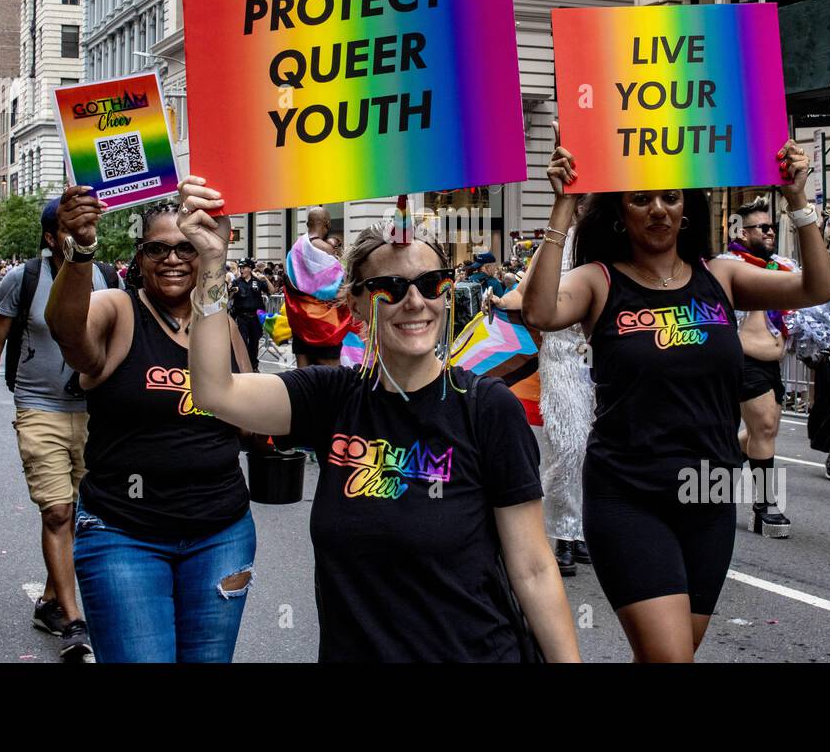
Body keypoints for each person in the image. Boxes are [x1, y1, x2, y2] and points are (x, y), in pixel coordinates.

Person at [178, 175, 580, 663]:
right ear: (359, 304)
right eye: (390, 287)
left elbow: (535, 569)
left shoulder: (488, 407)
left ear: (447, 294)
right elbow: (214, 391)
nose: (414, 301)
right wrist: (212, 265)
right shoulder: (332, 398)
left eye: (430, 284)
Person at [519, 128, 830, 662]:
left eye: (670, 196)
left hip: (707, 493)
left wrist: (798, 199)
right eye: (641, 198)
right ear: (621, 213)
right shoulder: (599, 281)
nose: (658, 209)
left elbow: (817, 289)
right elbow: (540, 311)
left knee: (670, 654)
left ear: (687, 208)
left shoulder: (723, 276)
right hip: (628, 495)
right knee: (671, 659)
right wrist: (563, 207)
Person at [44, 191, 256, 663]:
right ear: (140, 257)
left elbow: (253, 421)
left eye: (187, 248)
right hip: (125, 534)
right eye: (158, 249)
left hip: (222, 534)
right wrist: (78, 250)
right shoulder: (118, 310)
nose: (174, 259)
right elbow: (68, 331)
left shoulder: (220, 325)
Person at [0, 199, 118, 661]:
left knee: (82, 513)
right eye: (73, 227)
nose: (83, 234)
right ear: (51, 237)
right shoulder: (24, 278)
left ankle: (51, 599)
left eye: (90, 226)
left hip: (95, 410)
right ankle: (73, 620)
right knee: (56, 512)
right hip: (39, 408)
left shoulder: (108, 277)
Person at [487, 230, 595, 577]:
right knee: (567, 445)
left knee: (596, 449)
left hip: (605, 356)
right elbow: (524, 293)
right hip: (561, 357)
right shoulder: (555, 245)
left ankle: (581, 531)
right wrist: (501, 303)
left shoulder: (614, 239)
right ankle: (563, 533)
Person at [719, 196, 795, 539]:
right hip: (742, 361)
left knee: (763, 430)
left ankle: (717, 474)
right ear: (742, 231)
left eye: (772, 227)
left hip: (771, 365)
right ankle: (765, 506)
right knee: (764, 426)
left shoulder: (779, 268)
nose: (769, 233)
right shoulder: (731, 267)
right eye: (762, 228)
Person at [284, 208, 354, 367]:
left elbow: (289, 283)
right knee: (331, 379)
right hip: (325, 325)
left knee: (305, 378)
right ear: (327, 225)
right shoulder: (326, 249)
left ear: (307, 224)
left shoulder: (294, 250)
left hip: (300, 324)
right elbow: (338, 289)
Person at [229, 257, 271, 368]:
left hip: (255, 318)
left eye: (244, 267)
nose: (241, 270)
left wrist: (265, 279)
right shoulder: (236, 282)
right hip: (242, 317)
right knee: (242, 342)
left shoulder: (257, 281)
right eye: (240, 268)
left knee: (254, 342)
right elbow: (228, 298)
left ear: (250, 268)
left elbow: (271, 291)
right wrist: (232, 291)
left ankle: (253, 366)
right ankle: (242, 366)